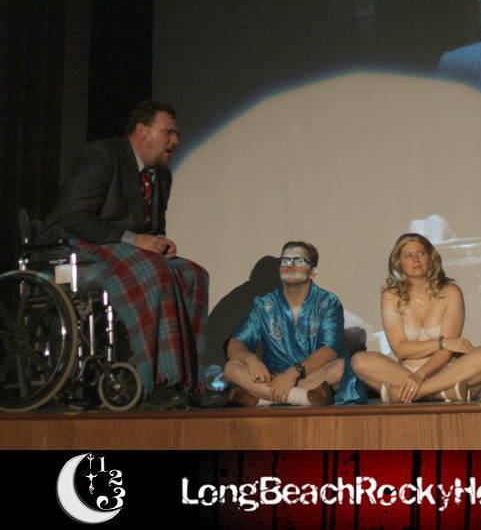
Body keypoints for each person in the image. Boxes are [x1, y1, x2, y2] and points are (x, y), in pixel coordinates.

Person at [37, 100, 211, 409]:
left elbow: (152, 228)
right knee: (153, 271)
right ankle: (156, 381)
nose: (175, 141)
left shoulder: (161, 176)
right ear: (142, 131)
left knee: (192, 274)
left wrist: (160, 242)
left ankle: (187, 380)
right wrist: (136, 239)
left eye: (177, 134)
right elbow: (73, 215)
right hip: (73, 244)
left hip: (120, 249)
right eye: (169, 132)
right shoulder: (103, 155)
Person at [350, 233, 481, 403]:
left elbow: (447, 351)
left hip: (447, 372)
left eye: (421, 253)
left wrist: (420, 376)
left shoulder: (451, 292)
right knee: (360, 361)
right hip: (405, 374)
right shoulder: (390, 296)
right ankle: (444, 393)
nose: (416, 259)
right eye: (408, 256)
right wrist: (442, 342)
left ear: (431, 259)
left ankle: (415, 393)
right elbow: (400, 349)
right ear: (399, 263)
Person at [224, 241, 366, 406]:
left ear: (313, 272)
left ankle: (264, 397)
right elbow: (236, 343)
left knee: (341, 367)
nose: (290, 266)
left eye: (299, 261)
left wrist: (293, 373)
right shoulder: (264, 304)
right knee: (231, 367)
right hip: (276, 378)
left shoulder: (328, 302)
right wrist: (250, 359)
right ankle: (303, 397)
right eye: (285, 261)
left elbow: (329, 351)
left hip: (312, 376)